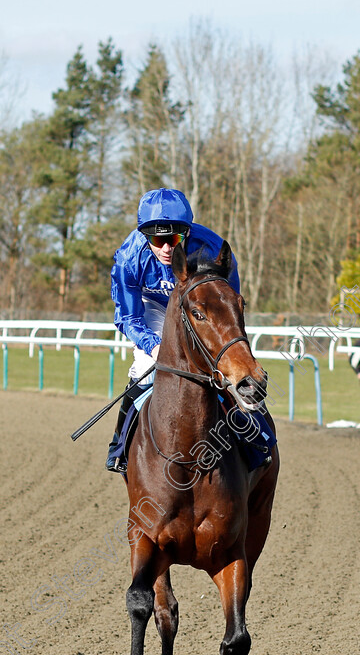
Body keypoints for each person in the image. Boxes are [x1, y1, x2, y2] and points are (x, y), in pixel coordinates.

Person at [106, 187, 268, 473]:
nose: (167, 248)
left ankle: (259, 438)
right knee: (145, 365)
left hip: (202, 306)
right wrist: (154, 346)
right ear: (145, 236)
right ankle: (120, 446)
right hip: (154, 308)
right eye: (158, 240)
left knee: (226, 369)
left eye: (174, 239)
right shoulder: (129, 259)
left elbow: (229, 309)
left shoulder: (214, 249)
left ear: (188, 233)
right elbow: (128, 317)